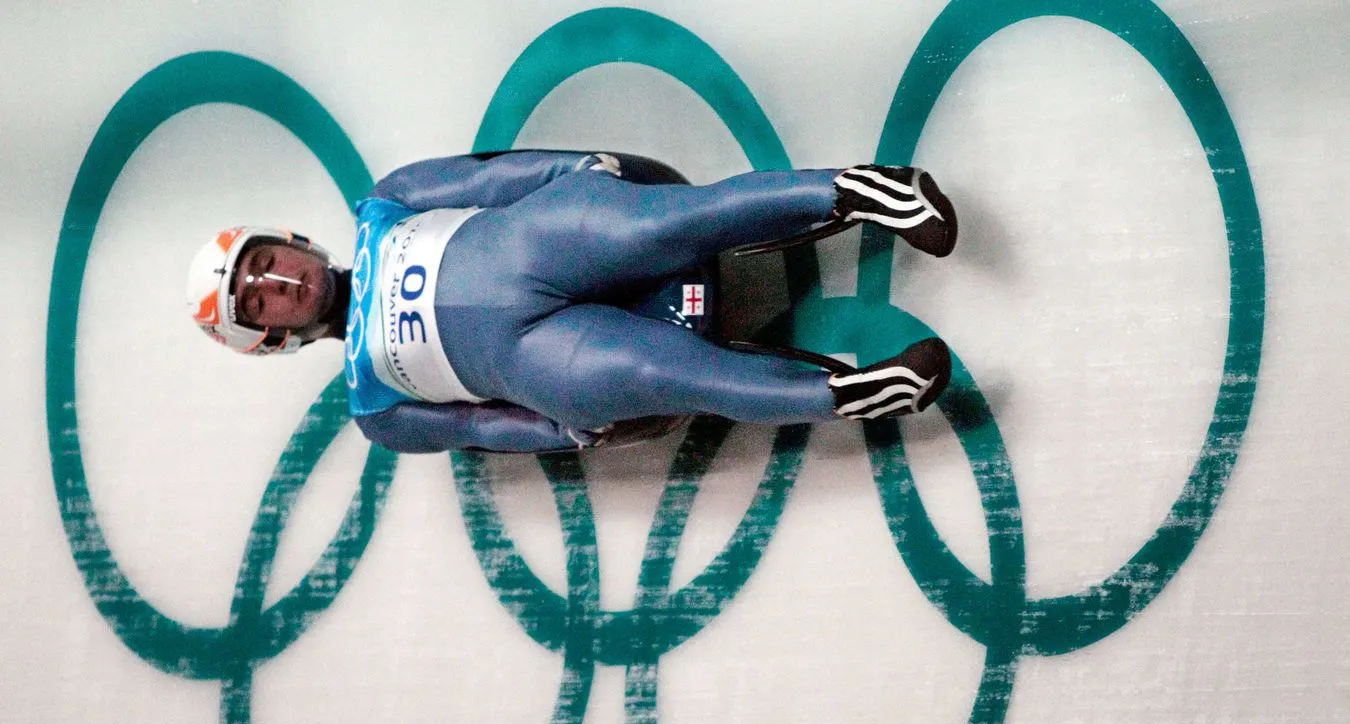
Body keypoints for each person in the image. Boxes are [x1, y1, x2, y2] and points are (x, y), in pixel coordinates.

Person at [186, 150, 958, 453]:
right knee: (673, 378)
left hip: (538, 241)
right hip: (534, 360)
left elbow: (491, 181)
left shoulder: (386, 202)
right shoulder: (376, 411)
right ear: (272, 338)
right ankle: (864, 392)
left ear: (289, 242)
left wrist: (580, 166)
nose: (280, 283)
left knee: (672, 223)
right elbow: (483, 425)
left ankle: (869, 190)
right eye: (260, 300)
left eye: (267, 261)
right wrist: (566, 435)